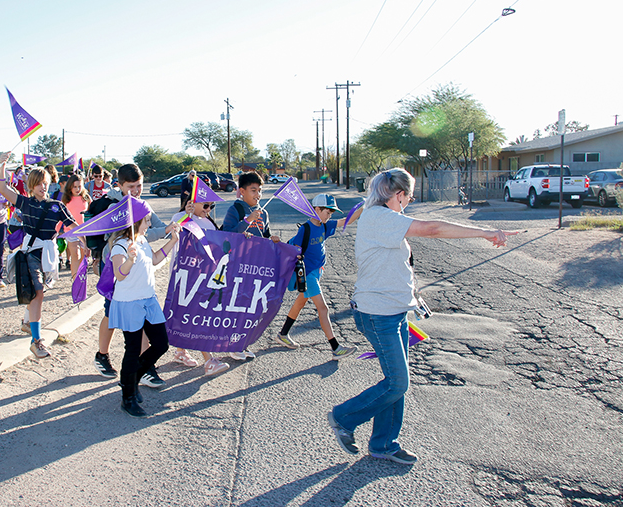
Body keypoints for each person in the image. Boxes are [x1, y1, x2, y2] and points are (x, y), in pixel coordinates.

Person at [328, 168, 517, 465]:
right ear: (398, 194)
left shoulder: (383, 217)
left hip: (395, 312)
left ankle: (384, 444)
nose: (409, 202)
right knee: (397, 383)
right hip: (378, 315)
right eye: (409, 197)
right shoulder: (379, 217)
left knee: (395, 381)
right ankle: (344, 417)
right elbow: (433, 229)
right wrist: (485, 232)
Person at [86, 163, 175, 387]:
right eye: (131, 186)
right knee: (112, 314)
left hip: (140, 267)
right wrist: (163, 232)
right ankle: (102, 355)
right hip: (117, 265)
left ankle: (145, 368)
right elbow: (122, 237)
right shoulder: (114, 206)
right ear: (120, 185)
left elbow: (154, 229)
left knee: (142, 316)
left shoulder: (144, 205)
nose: (136, 191)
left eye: (139, 186)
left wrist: (170, 229)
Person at [0, 160, 78, 358]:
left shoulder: (57, 206)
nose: (43, 187)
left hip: (49, 254)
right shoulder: (25, 202)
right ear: (31, 186)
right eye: (39, 183)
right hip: (31, 252)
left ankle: (27, 321)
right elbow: (2, 187)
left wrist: (84, 241)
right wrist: (2, 165)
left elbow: (73, 225)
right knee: (38, 293)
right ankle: (36, 341)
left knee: (36, 293)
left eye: (46, 183)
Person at [108, 209, 180, 417]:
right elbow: (119, 275)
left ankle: (131, 380)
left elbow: (156, 259)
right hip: (130, 303)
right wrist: (130, 259)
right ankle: (127, 397)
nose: (149, 224)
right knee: (132, 349)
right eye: (146, 221)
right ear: (135, 221)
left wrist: (173, 240)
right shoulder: (121, 245)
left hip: (148, 300)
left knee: (161, 344)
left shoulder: (142, 240)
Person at [276, 194, 361, 360]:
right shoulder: (305, 229)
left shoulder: (325, 226)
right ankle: (335, 347)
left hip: (317, 271)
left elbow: (346, 221)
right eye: (327, 212)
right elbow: (293, 250)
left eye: (330, 213)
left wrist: (363, 208)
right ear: (316, 209)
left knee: (300, 303)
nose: (329, 216)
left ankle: (283, 334)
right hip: (307, 275)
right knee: (323, 308)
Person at [221, 171, 281, 360]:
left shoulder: (264, 212)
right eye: (253, 190)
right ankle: (232, 344)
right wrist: (247, 221)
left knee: (251, 307)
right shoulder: (236, 210)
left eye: (260, 191)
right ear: (241, 191)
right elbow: (227, 235)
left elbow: (265, 236)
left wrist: (273, 240)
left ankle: (242, 342)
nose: (258, 195)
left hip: (257, 267)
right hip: (237, 266)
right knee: (236, 306)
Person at [170, 199, 230, 376]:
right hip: (185, 276)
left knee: (189, 315)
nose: (209, 209)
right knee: (196, 315)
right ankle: (209, 360)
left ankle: (180, 351)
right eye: (205, 206)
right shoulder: (180, 217)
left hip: (204, 275)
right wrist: (187, 217)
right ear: (192, 203)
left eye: (212, 206)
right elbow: (176, 236)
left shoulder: (209, 221)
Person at [62, 173, 92, 280]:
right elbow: (61, 215)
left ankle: (81, 275)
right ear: (70, 186)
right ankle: (75, 279)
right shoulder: (66, 199)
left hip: (85, 230)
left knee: (84, 256)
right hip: (71, 230)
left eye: (79, 186)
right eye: (75, 186)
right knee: (75, 254)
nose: (77, 189)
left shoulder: (86, 198)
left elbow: (91, 213)